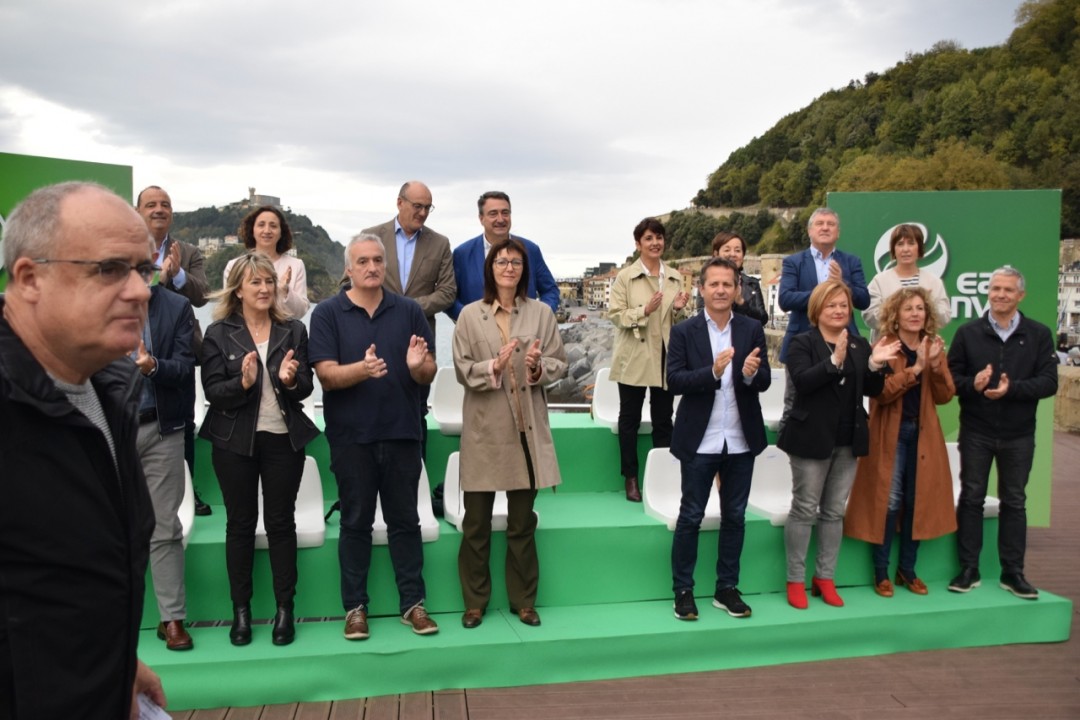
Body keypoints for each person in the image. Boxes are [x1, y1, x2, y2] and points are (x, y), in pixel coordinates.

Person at [0, 181, 165, 718]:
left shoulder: (109, 391)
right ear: (30, 278)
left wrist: (119, 662)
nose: (140, 291)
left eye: (144, 270)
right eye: (110, 269)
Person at [309, 233, 439, 640]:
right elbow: (327, 376)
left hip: (402, 432)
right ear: (348, 268)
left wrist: (417, 367)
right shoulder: (327, 314)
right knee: (355, 523)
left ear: (386, 265)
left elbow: (429, 371)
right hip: (351, 437)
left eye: (378, 260)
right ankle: (355, 609)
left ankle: (413, 605)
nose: (371, 267)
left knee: (406, 522)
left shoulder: (409, 311)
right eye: (362, 261)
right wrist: (362, 370)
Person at [200, 253, 320, 646]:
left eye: (269, 281)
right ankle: (241, 612)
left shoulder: (293, 330)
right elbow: (213, 392)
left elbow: (305, 387)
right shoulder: (218, 333)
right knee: (240, 525)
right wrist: (243, 384)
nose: (265, 288)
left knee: (281, 523)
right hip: (233, 441)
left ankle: (285, 610)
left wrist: (290, 380)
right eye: (256, 282)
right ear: (238, 289)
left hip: (283, 439)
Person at [452, 238, 568, 629]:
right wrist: (493, 367)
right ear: (490, 268)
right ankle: (474, 602)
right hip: (484, 432)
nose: (509, 268)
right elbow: (462, 369)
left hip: (525, 431)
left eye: (516, 262)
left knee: (522, 524)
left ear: (524, 270)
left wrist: (536, 367)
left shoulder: (541, 313)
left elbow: (558, 362)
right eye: (501, 261)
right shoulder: (470, 315)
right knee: (476, 524)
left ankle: (524, 601)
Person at [777, 280, 898, 610]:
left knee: (833, 511)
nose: (839, 310)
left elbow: (872, 390)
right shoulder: (802, 343)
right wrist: (834, 361)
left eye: (843, 305)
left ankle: (825, 577)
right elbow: (803, 382)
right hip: (810, 438)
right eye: (831, 305)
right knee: (805, 509)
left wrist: (875, 365)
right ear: (817, 310)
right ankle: (795, 580)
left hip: (848, 439)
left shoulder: (859, 344)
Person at [666, 258, 771, 621]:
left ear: (737, 288)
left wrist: (750, 374)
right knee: (691, 516)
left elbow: (763, 381)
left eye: (728, 284)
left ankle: (727, 588)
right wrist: (712, 372)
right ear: (702, 289)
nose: (721, 290)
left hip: (741, 439)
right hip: (700, 439)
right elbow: (674, 381)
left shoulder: (751, 329)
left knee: (735, 516)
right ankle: (683, 590)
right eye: (714, 284)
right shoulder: (685, 331)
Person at [946, 267, 1058, 599]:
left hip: (1019, 434)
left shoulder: (1038, 334)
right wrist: (974, 384)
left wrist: (1012, 390)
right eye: (995, 288)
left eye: (1008, 290)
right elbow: (950, 380)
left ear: (1020, 295)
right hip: (976, 431)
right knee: (971, 498)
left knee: (1015, 501)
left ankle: (1013, 573)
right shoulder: (968, 333)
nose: (1000, 295)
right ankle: (969, 569)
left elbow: (1049, 382)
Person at [845, 287, 956, 597]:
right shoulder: (884, 347)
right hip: (890, 434)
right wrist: (916, 369)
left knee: (916, 501)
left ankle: (907, 569)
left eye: (920, 308)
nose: (915, 314)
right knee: (889, 501)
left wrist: (934, 366)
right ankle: (881, 571)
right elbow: (881, 393)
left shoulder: (933, 346)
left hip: (923, 434)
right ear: (896, 315)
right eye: (908, 309)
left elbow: (946, 395)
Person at [137, 185, 213, 516]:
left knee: (182, 420)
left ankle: (186, 491)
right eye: (151, 204)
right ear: (138, 211)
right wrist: (159, 276)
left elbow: (202, 296)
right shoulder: (127, 249)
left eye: (165, 204)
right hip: (138, 346)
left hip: (180, 346)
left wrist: (177, 273)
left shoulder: (189, 252)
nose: (159, 209)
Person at [608, 218, 691, 502]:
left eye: (659, 237)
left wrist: (677, 309)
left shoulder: (674, 277)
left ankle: (663, 477)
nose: (655, 243)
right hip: (634, 353)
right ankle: (630, 477)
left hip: (666, 355)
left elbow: (676, 322)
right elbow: (616, 315)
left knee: (664, 419)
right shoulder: (625, 277)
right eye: (648, 238)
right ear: (638, 244)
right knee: (629, 419)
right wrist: (644, 310)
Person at [136, 277, 197, 650]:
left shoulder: (176, 306)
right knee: (103, 526)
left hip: (162, 430)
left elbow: (185, 369)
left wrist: (152, 366)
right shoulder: (94, 299)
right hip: (107, 431)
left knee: (165, 527)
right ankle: (104, 618)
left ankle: (171, 618)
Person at [778, 208, 870, 428]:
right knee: (795, 403)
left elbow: (864, 299)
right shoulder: (794, 262)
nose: (825, 228)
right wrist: (824, 294)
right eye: (820, 224)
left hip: (844, 342)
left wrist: (842, 283)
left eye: (831, 224)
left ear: (838, 232)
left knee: (847, 401)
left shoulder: (851, 262)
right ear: (810, 230)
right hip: (802, 342)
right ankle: (791, 443)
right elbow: (785, 299)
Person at [362, 181, 456, 339]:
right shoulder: (370, 237)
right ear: (400, 203)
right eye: (417, 206)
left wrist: (407, 307)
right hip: (374, 333)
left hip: (420, 336)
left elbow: (447, 293)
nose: (423, 213)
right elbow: (349, 283)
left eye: (428, 207)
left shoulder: (440, 243)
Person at [448, 190, 559, 321]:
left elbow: (550, 291)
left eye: (505, 213)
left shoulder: (530, 250)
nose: (500, 219)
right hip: (477, 331)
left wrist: (539, 317)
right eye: (493, 214)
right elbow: (449, 298)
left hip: (524, 329)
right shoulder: (462, 254)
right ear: (481, 218)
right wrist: (470, 320)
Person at [863, 224, 950, 342]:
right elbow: (869, 316)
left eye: (911, 243)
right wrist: (896, 311)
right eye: (900, 244)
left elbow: (945, 317)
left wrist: (929, 305)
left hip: (923, 347)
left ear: (919, 248)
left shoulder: (933, 282)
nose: (905, 249)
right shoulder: (880, 281)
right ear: (893, 249)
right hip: (888, 347)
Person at [225, 205, 310, 319]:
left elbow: (301, 312)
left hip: (285, 329)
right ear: (252, 230)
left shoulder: (296, 265)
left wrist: (285, 290)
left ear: (281, 232)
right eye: (261, 225)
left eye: (273, 226)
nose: (267, 230)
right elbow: (229, 307)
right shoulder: (235, 266)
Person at [712, 231, 767, 326]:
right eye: (727, 250)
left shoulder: (752, 284)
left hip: (745, 334)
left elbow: (763, 319)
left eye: (737, 250)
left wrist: (741, 303)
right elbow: (702, 315)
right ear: (716, 254)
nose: (733, 254)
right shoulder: (707, 282)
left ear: (743, 256)